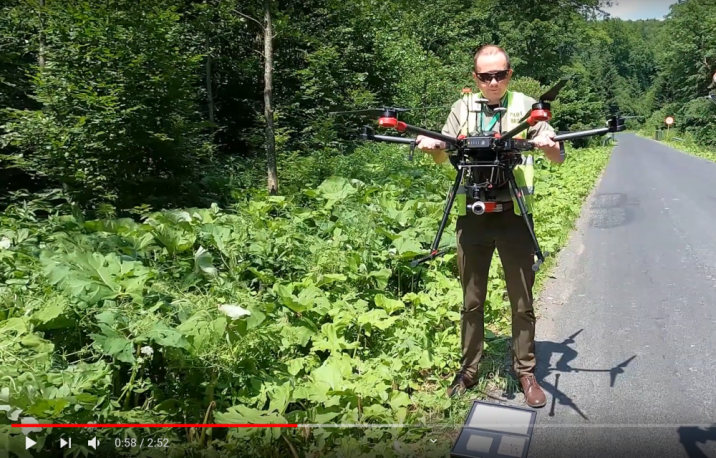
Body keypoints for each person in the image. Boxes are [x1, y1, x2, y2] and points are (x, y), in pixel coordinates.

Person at [415, 44, 565, 408]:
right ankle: (469, 369)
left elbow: (558, 157)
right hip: (474, 215)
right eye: (486, 76)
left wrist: (546, 144)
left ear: (509, 74)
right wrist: (433, 145)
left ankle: (526, 371)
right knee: (471, 300)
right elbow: (442, 155)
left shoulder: (528, 107)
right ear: (475, 78)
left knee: (522, 301)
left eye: (500, 74)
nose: (493, 81)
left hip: (514, 215)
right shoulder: (461, 108)